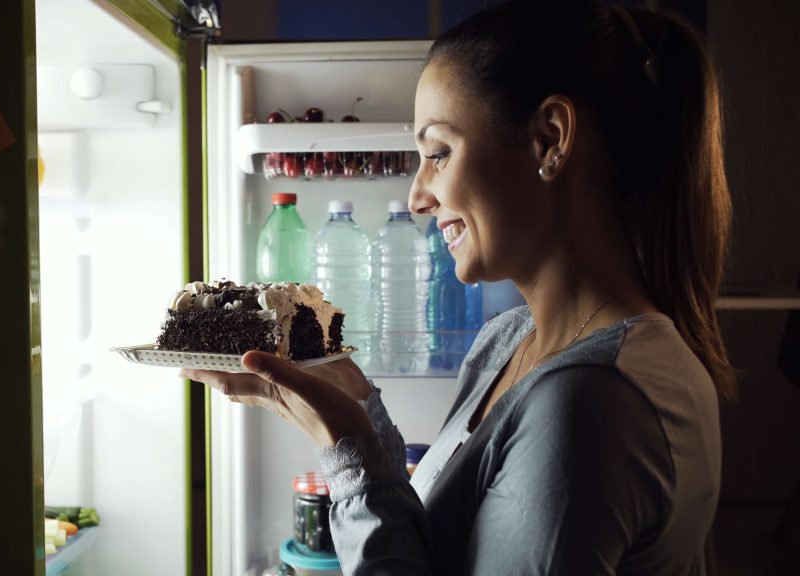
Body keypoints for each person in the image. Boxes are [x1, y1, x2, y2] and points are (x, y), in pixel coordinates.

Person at [180, 0, 734, 573]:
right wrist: (363, 418)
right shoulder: (511, 338)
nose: (419, 198)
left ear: (550, 139)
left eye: (439, 153)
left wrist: (350, 460)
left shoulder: (590, 403)